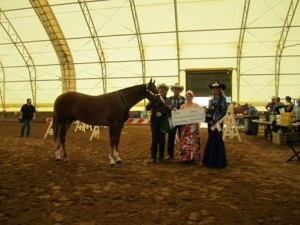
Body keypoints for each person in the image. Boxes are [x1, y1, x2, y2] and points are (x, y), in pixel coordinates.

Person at [202, 81, 227, 168]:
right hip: (210, 123)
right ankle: (210, 160)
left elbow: (223, 112)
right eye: (214, 88)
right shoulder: (211, 100)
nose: (215, 89)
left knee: (217, 138)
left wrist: (215, 120)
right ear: (212, 90)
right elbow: (210, 112)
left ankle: (218, 161)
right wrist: (206, 111)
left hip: (218, 123)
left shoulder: (223, 99)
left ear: (220, 89)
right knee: (211, 138)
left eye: (217, 88)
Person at [145, 83, 171, 163]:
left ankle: (161, 157)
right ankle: (153, 157)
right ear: (158, 90)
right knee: (154, 138)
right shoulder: (153, 98)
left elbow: (170, 110)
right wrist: (152, 102)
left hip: (163, 120)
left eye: (164, 89)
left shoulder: (168, 100)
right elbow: (147, 108)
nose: (162, 90)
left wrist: (170, 108)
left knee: (162, 139)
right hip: (154, 120)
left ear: (166, 91)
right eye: (160, 89)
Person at [179, 90, 201, 163]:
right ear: (185, 97)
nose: (188, 97)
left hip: (193, 127)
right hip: (185, 128)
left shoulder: (196, 105)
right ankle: (185, 157)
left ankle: (193, 157)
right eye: (187, 96)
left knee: (193, 142)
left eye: (190, 96)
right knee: (185, 142)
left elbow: (200, 115)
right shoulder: (182, 106)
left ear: (192, 97)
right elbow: (179, 116)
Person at [166, 82, 186, 160]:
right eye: (175, 89)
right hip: (172, 120)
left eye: (178, 89)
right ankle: (170, 154)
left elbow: (186, 109)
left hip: (181, 121)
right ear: (173, 90)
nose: (176, 90)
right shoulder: (169, 99)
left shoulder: (183, 99)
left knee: (182, 137)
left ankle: (182, 153)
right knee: (171, 137)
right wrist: (169, 108)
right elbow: (167, 109)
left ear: (180, 90)